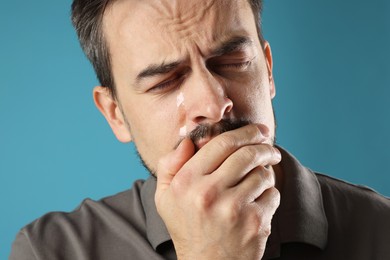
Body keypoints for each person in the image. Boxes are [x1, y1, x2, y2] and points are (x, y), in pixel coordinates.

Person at [10, 0, 390, 259]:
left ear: (268, 69)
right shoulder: (51, 251)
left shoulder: (381, 230)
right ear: (115, 114)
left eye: (232, 60)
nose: (212, 104)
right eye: (165, 81)